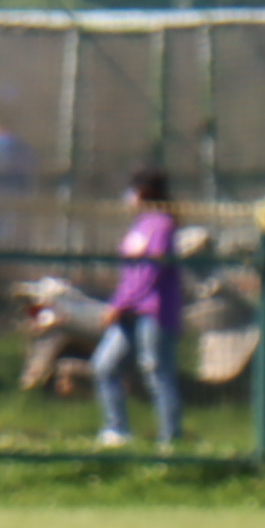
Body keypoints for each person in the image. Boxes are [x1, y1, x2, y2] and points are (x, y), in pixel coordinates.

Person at [91, 166, 184, 449]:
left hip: (153, 312)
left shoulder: (163, 224)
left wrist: (120, 304)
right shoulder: (139, 225)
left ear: (144, 193)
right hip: (129, 312)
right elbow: (130, 274)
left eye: (132, 191)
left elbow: (151, 271)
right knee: (104, 365)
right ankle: (117, 430)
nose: (127, 197)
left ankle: (170, 439)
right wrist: (119, 303)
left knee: (156, 371)